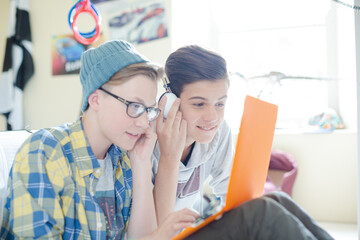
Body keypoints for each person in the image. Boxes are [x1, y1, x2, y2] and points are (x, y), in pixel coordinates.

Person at [0, 40, 199, 240]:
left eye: (148, 110)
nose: (144, 124)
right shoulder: (43, 153)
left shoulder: (123, 158)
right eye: (135, 106)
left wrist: (141, 163)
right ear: (95, 100)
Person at [152, 45, 334, 239]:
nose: (212, 117)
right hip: (161, 236)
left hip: (188, 232)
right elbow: (156, 228)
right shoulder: (148, 143)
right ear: (170, 101)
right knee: (262, 212)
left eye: (220, 104)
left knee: (276, 199)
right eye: (199, 104)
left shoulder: (219, 132)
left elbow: (231, 192)